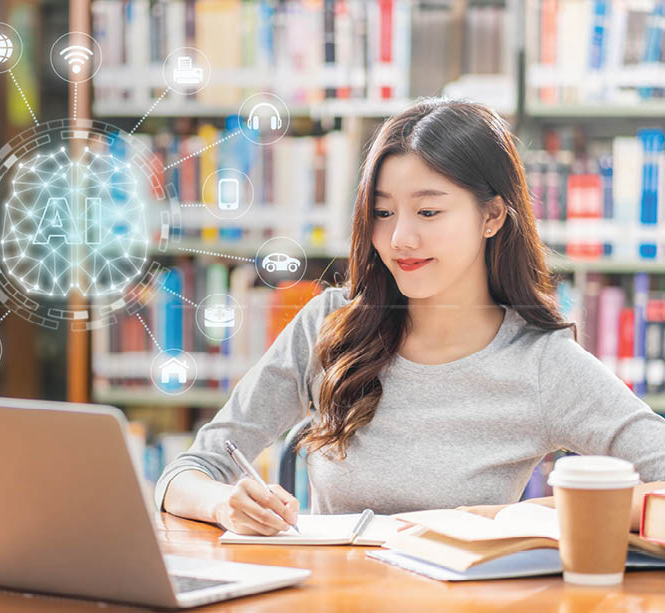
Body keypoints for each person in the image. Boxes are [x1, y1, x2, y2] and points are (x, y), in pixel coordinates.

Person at [156, 98, 665, 536]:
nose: (400, 239)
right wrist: (224, 504)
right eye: (382, 212)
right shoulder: (329, 325)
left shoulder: (542, 364)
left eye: (427, 212)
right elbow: (189, 471)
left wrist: (535, 515)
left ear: (491, 216)